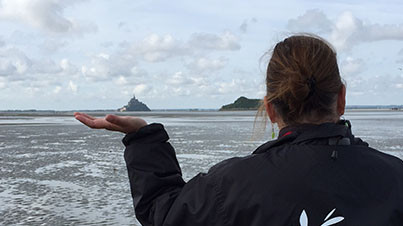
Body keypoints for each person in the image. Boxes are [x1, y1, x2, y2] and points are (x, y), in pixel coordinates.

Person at [74, 35, 403, 226]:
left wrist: (144, 138)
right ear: (341, 98)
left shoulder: (230, 187)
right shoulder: (395, 178)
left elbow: (163, 213)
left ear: (270, 108)